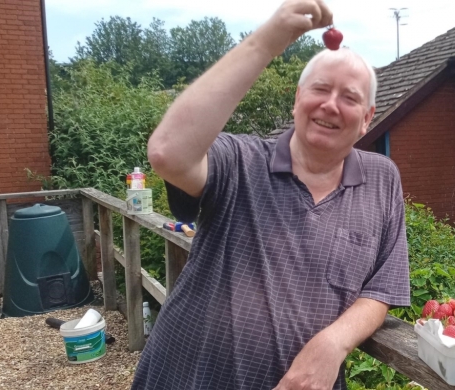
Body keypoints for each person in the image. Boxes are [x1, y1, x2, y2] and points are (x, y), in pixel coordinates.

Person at [131, 0, 411, 389]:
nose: (331, 104)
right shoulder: (240, 160)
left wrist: (334, 342)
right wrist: (270, 38)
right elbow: (168, 152)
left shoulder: (382, 179)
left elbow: (382, 288)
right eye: (320, 89)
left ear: (367, 119)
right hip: (187, 377)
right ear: (297, 99)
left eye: (349, 97)